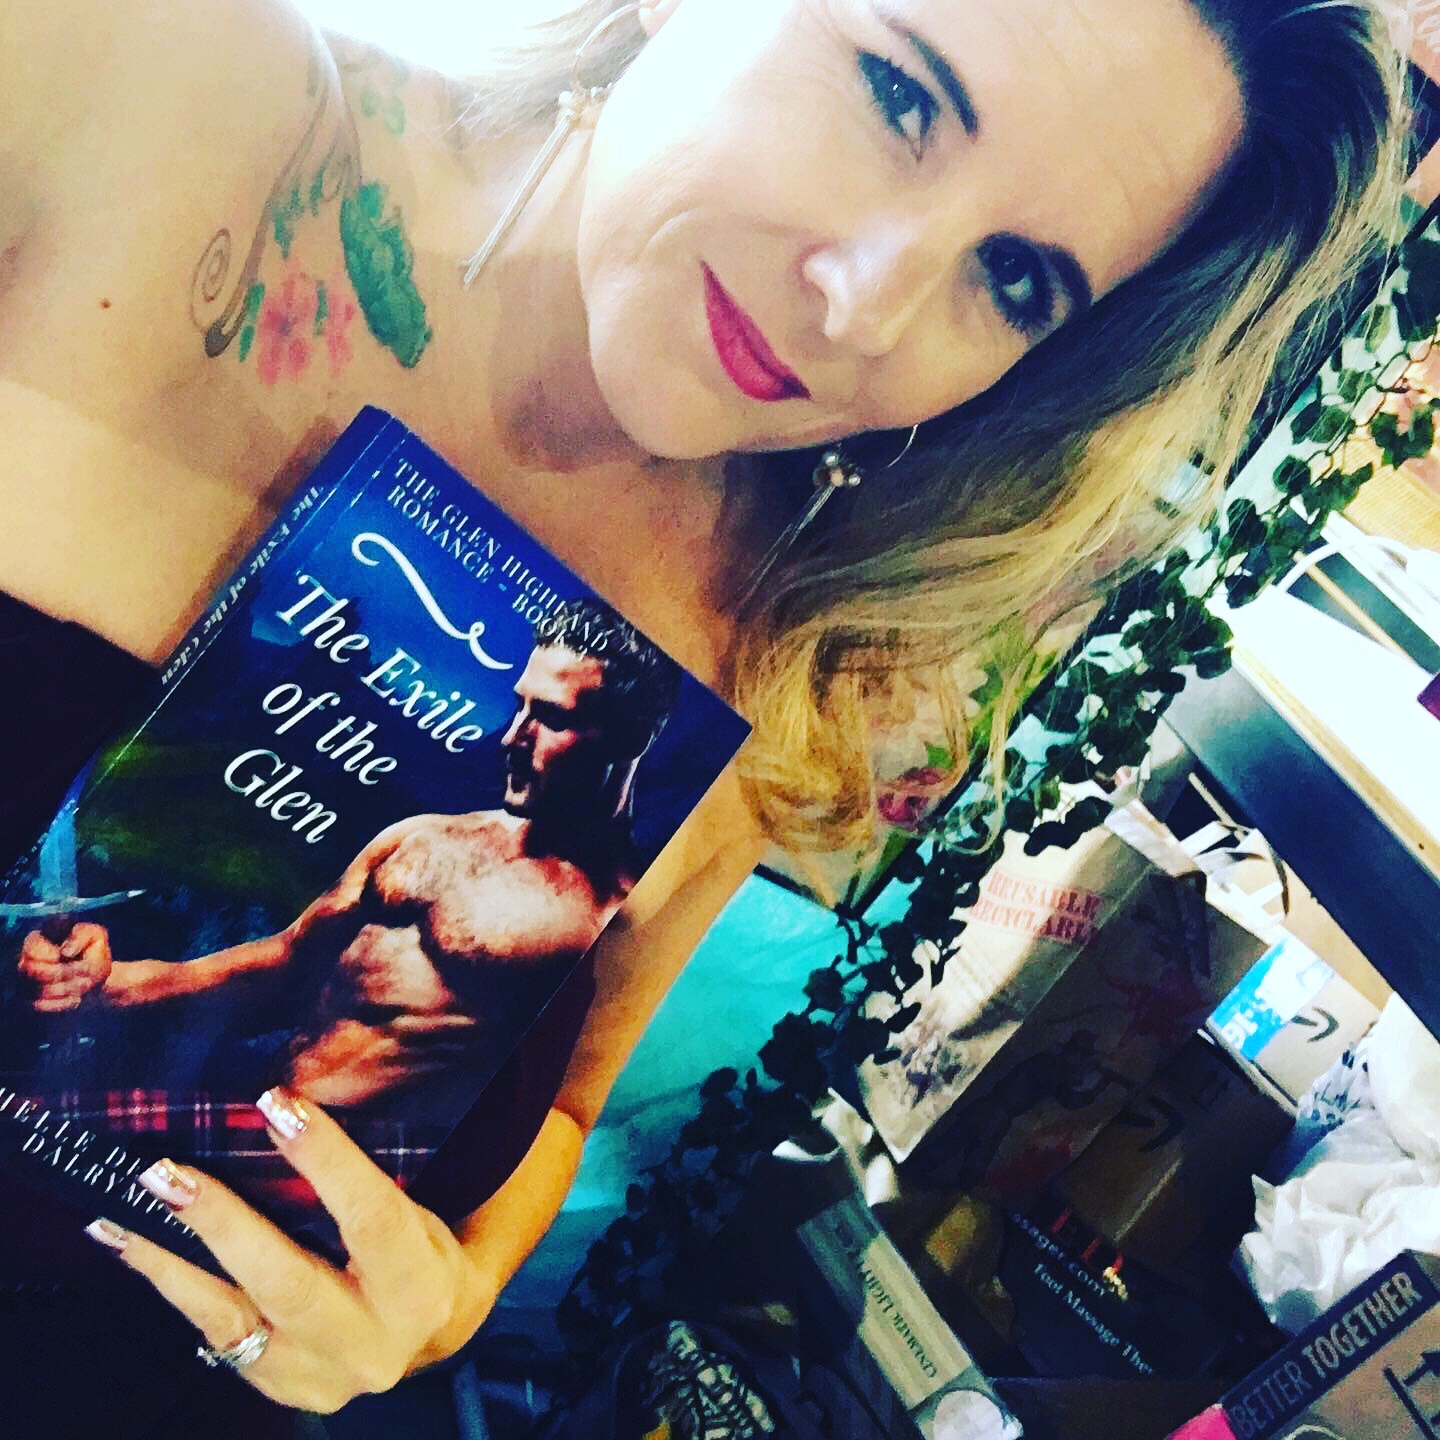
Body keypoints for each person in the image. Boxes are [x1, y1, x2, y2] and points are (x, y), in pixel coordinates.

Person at [0, 0, 1411, 1424]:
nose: (865, 306)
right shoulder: (124, 84)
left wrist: (437, 1306)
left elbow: (559, 1104)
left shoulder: (780, 637)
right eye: (898, 94)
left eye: (1014, 278)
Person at [16, 599, 679, 1117]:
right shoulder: (426, 837)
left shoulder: (607, 920)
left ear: (631, 738)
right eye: (519, 707)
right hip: (243, 1106)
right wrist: (101, 987)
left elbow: (543, 1117)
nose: (512, 737)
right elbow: (286, 965)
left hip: (327, 1177)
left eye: (552, 718)